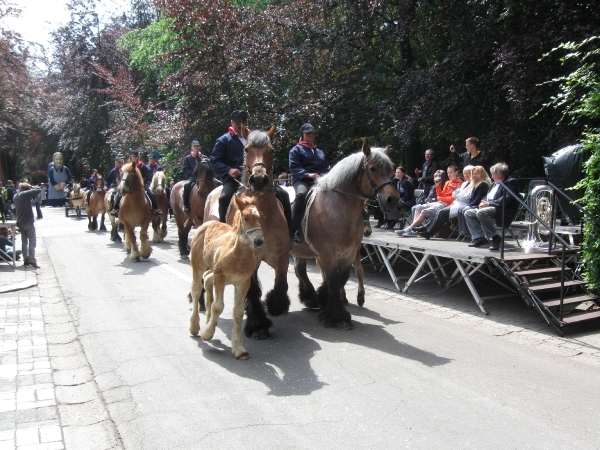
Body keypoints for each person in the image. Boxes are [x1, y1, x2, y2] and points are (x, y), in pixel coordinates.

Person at [415, 165, 488, 240]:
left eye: (468, 173)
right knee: (439, 211)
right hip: (455, 203)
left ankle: (428, 232)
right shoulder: (464, 184)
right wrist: (438, 187)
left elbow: (465, 198)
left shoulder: (472, 184)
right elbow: (453, 196)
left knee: (442, 212)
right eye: (465, 173)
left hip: (463, 205)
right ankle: (425, 229)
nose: (466, 175)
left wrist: (456, 191)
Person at [288, 123, 330, 244]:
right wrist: (308, 174)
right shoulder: (295, 150)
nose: (311, 135)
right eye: (308, 133)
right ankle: (293, 230)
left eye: (312, 133)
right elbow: (294, 167)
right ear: (302, 135)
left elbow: (327, 166)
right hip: (302, 180)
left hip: (320, 180)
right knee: (302, 194)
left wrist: (327, 176)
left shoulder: (319, 152)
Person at [464, 162, 519, 250]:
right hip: (488, 207)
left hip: (501, 209)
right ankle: (479, 237)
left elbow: (507, 198)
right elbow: (487, 196)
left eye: (493, 174)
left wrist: (489, 204)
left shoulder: (511, 182)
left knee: (481, 213)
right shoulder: (494, 184)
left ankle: (495, 237)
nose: (492, 176)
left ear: (499, 175)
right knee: (468, 213)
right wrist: (483, 203)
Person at [396, 167, 461, 237]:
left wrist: (440, 198)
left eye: (451, 172)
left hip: (447, 205)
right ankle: (413, 230)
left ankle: (410, 229)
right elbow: (441, 194)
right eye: (448, 172)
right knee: (418, 208)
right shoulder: (447, 182)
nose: (449, 174)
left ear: (456, 173)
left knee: (424, 211)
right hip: (439, 202)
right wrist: (437, 186)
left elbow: (452, 199)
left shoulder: (459, 184)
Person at [209, 111, 249, 221]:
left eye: (243, 122)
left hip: (254, 178)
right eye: (237, 123)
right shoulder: (224, 140)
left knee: (282, 194)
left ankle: (291, 231)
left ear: (246, 122)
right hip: (234, 180)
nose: (240, 125)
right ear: (232, 122)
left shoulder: (253, 139)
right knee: (224, 198)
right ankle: (223, 225)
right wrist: (228, 170)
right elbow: (214, 160)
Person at [110, 150, 162, 217]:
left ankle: (155, 209)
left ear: (138, 157)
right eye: (132, 156)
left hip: (141, 185)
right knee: (119, 193)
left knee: (150, 193)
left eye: (135, 156)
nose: (133, 158)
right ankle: (115, 209)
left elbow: (148, 175)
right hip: (129, 185)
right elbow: (123, 174)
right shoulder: (127, 166)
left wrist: (143, 180)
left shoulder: (143, 166)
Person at [13, 182, 41, 268]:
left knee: (24, 242)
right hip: (28, 222)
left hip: (20, 222)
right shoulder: (25, 194)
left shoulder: (16, 196)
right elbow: (38, 190)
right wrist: (32, 186)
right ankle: (32, 259)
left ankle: (26, 259)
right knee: (32, 241)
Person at [183, 140, 205, 212]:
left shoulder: (204, 157)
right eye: (194, 146)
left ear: (199, 147)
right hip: (192, 177)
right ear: (191, 148)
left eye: (197, 146)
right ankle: (186, 204)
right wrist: (194, 174)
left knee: (218, 183)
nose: (196, 147)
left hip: (203, 177)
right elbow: (185, 169)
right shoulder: (187, 158)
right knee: (186, 185)